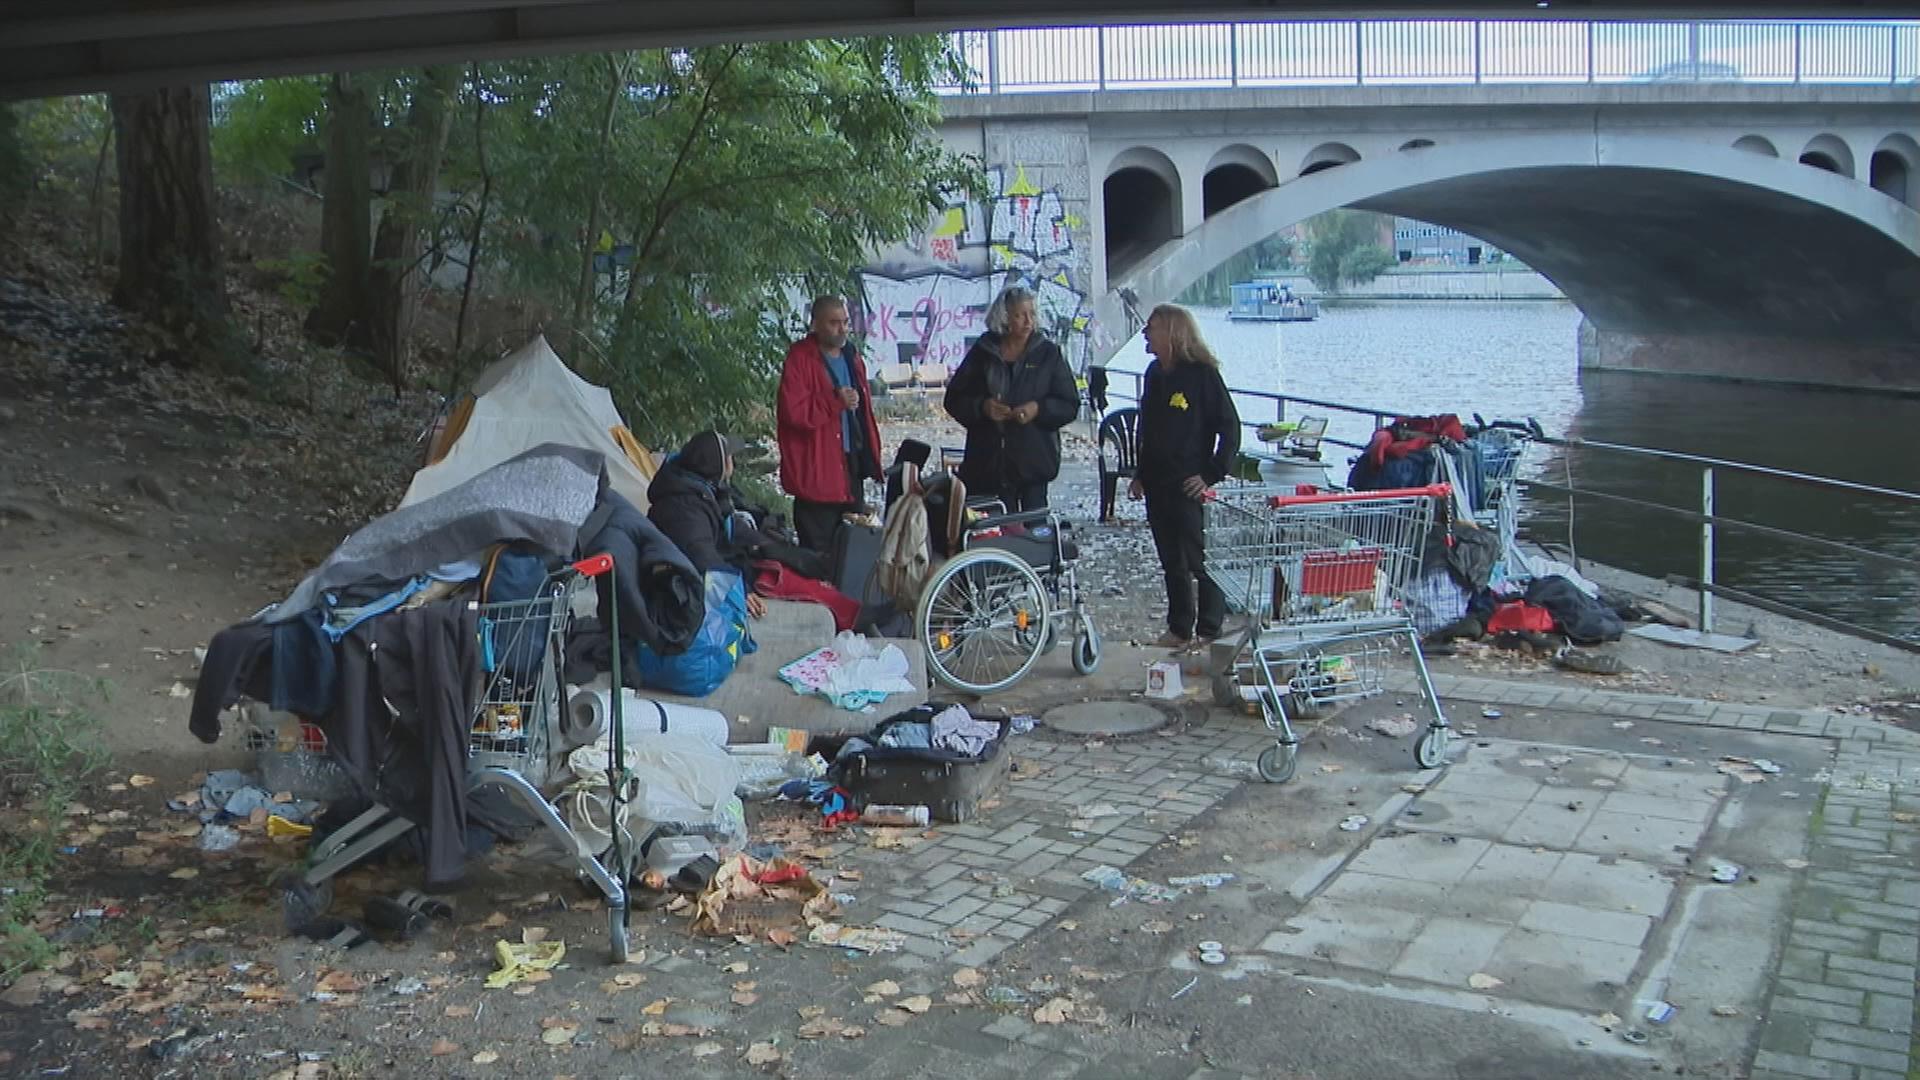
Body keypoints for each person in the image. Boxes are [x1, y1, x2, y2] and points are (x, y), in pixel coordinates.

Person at [1128, 304, 1240, 652]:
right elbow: (1147, 429)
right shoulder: (1154, 373)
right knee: (1170, 560)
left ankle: (1209, 627)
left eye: (1153, 327)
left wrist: (1210, 473)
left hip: (1189, 481)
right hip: (1157, 481)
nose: (1146, 333)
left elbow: (1231, 428)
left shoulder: (1202, 374)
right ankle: (1179, 626)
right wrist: (1139, 473)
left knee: (1199, 558)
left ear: (1173, 333)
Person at [942, 286, 1079, 512]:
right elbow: (955, 399)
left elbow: (1069, 403)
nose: (1028, 321)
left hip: (1034, 462)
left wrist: (1039, 409)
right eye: (1019, 315)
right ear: (1004, 318)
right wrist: (982, 407)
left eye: (1031, 314)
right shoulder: (984, 351)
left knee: (1034, 533)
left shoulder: (1048, 353)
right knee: (997, 534)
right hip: (989, 463)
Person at [777, 295, 883, 552]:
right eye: (834, 323)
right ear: (815, 324)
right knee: (818, 553)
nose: (842, 329)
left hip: (850, 464)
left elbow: (864, 413)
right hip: (816, 469)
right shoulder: (800, 358)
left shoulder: (851, 356)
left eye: (845, 322)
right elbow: (794, 413)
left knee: (853, 550)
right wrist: (833, 401)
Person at [646, 430, 767, 618]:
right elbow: (702, 557)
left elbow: (731, 532)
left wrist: (773, 546)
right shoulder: (684, 506)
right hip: (675, 591)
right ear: (719, 465)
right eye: (730, 457)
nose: (733, 462)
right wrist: (738, 591)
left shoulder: (700, 491)